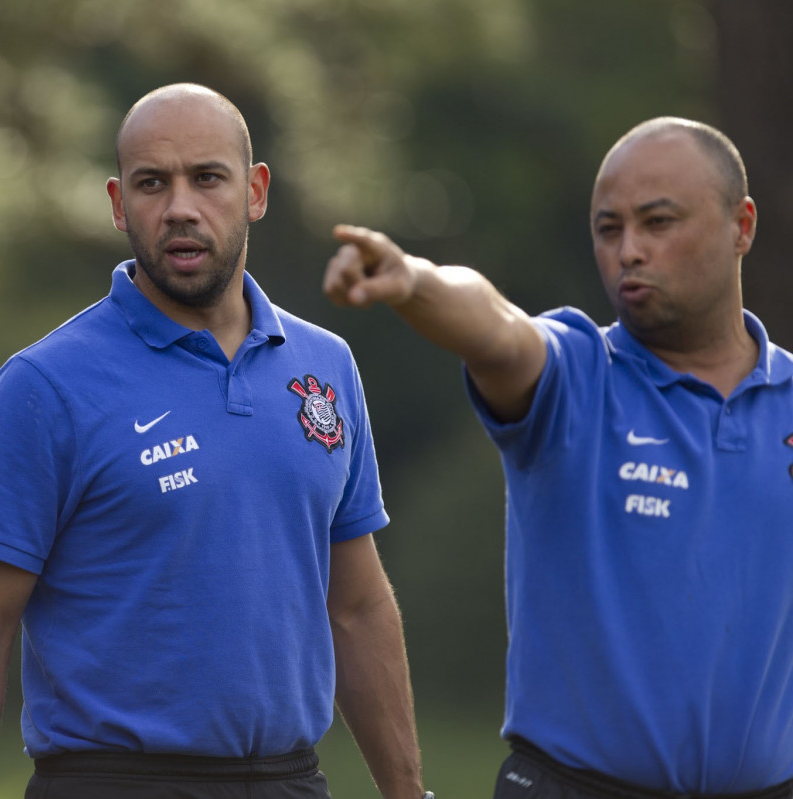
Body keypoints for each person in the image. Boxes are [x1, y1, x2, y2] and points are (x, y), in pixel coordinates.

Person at [0, 83, 428, 799]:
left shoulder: (327, 366)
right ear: (117, 203)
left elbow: (356, 606)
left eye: (208, 178)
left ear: (255, 191)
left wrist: (410, 792)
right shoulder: (44, 385)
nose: (181, 208)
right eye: (152, 183)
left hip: (292, 780)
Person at [324, 117, 793, 799]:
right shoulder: (578, 373)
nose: (630, 250)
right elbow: (498, 329)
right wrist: (415, 281)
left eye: (658, 222)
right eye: (609, 229)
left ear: (740, 225)